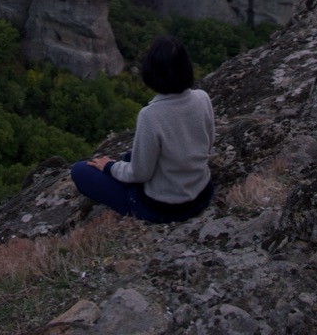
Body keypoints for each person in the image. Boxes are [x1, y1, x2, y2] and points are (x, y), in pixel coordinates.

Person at [70, 35, 215, 223]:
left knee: (80, 171)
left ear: (151, 73)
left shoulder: (150, 115)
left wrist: (109, 167)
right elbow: (208, 143)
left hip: (165, 208)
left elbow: (140, 174)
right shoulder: (202, 98)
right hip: (202, 192)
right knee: (130, 157)